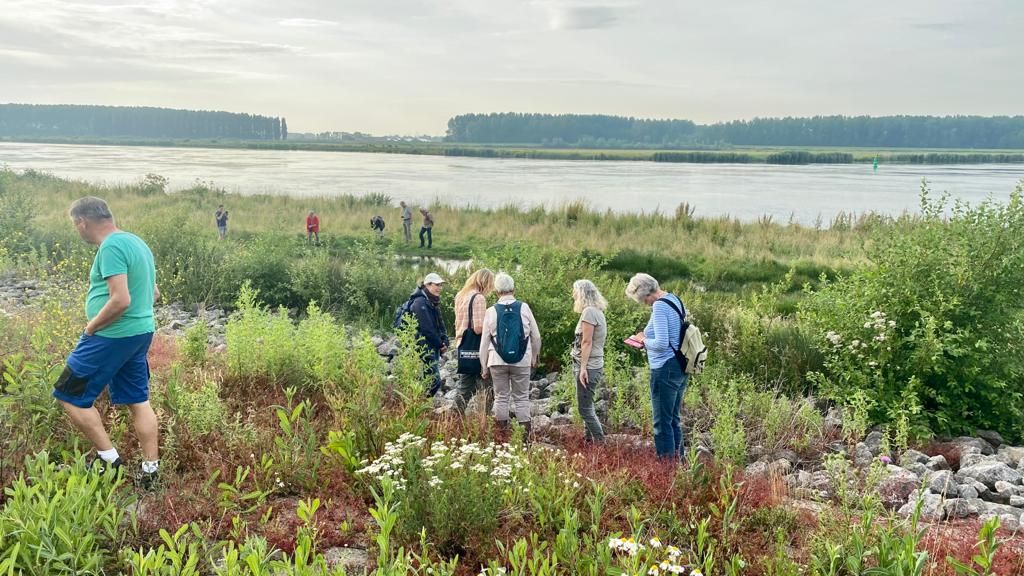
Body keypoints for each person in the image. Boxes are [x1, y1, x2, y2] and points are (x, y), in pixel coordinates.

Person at [54, 197, 161, 489]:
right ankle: (151, 471)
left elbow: (121, 299)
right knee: (138, 400)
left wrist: (91, 327)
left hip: (111, 336)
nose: (78, 231)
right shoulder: (136, 242)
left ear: (82, 222)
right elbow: (153, 294)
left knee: (68, 393)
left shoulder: (110, 247)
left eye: (76, 226)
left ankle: (108, 460)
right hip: (140, 334)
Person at [626, 273, 688, 460]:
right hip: (679, 365)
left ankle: (667, 469)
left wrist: (643, 341)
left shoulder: (659, 306)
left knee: (661, 422)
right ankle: (680, 462)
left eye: (643, 299)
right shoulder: (673, 299)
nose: (644, 303)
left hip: (665, 368)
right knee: (673, 419)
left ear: (646, 293)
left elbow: (661, 343)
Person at [479, 273, 541, 438]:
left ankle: (501, 436)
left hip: (496, 360)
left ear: (496, 291)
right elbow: (536, 337)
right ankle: (525, 438)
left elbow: (484, 342)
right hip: (522, 360)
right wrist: (534, 356)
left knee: (501, 397)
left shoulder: (491, 311)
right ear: (513, 289)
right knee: (521, 398)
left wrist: (484, 366)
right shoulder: (524, 307)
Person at [452, 268, 495, 415]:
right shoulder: (479, 298)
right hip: (476, 346)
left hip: (463, 344)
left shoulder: (460, 295)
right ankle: (484, 419)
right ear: (485, 282)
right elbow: (478, 328)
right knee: (487, 385)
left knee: (465, 384)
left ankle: (455, 416)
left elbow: (458, 322)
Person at [571, 279, 607, 443]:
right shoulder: (596, 311)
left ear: (582, 293)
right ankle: (589, 441)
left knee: (584, 408)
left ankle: (600, 443)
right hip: (591, 364)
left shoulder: (589, 313)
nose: (573, 295)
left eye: (575, 291)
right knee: (587, 404)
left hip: (589, 366)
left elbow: (587, 341)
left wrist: (583, 368)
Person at [408, 272, 449, 397]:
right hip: (423, 346)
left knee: (429, 378)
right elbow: (427, 329)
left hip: (432, 346)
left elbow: (440, 323)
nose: (440, 288)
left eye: (441, 285)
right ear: (427, 285)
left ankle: (421, 403)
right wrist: (440, 344)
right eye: (437, 285)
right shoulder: (419, 302)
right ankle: (421, 402)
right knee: (434, 381)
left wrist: (445, 340)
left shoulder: (431, 301)